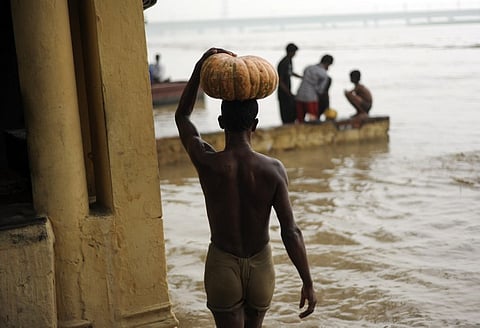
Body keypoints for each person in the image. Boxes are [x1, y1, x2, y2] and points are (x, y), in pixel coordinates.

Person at [175, 47, 317, 328]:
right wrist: (308, 282)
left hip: (223, 264)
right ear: (255, 124)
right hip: (261, 265)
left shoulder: (208, 162)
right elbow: (291, 230)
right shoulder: (273, 170)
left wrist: (198, 69)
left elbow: (183, 118)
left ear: (220, 122)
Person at [295, 54, 334, 122]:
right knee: (313, 119)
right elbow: (320, 90)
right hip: (311, 98)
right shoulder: (324, 74)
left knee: (300, 119)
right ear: (328, 64)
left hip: (299, 95)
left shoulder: (308, 67)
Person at [277, 43, 302, 124]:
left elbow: (290, 72)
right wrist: (288, 92)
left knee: (291, 111)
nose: (295, 54)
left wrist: (301, 77)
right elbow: (280, 81)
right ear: (291, 52)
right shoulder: (283, 63)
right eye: (294, 52)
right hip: (283, 92)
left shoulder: (289, 60)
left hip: (288, 91)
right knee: (285, 112)